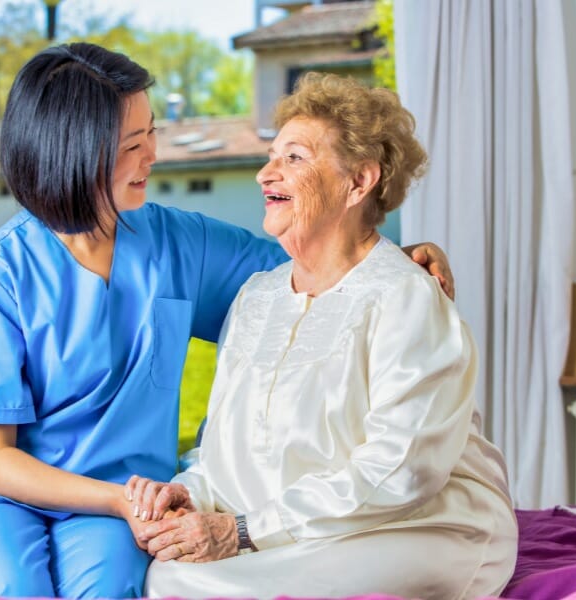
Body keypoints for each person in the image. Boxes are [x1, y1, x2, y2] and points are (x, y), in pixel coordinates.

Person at [0, 44, 454, 599]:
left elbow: (319, 262)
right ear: (77, 154)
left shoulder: (180, 242)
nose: (153, 154)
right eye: (134, 144)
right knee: (12, 590)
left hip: (121, 501)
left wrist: (398, 260)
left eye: (151, 132)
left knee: (110, 591)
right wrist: (118, 501)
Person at [129, 72, 518, 600]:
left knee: (198, 585)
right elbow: (222, 446)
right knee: (169, 573)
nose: (267, 172)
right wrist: (190, 493)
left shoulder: (407, 296)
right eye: (271, 155)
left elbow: (401, 472)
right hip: (283, 526)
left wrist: (242, 532)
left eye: (295, 157)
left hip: (415, 524)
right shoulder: (257, 296)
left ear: (358, 182)